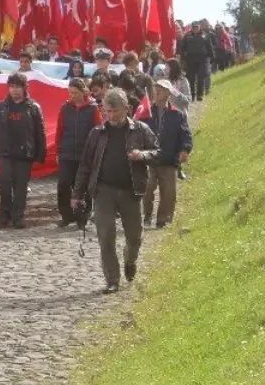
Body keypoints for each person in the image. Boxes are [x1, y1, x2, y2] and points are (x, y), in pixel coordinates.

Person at [72, 89, 158, 293]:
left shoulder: (140, 129)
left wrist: (143, 155)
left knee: (135, 237)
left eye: (114, 111)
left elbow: (158, 152)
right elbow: (85, 165)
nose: (110, 115)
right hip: (104, 190)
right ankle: (112, 280)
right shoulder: (97, 133)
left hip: (131, 190)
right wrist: (76, 194)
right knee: (106, 234)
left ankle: (130, 260)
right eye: (106, 111)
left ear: (126, 109)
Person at [0, 73, 47, 229]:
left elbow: (40, 132)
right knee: (4, 184)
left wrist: (41, 153)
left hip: (24, 153)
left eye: (17, 86)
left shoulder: (33, 107)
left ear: (25, 88)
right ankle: (5, 213)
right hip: (4, 152)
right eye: (11, 86)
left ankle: (18, 216)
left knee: (20, 186)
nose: (14, 90)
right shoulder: (0, 107)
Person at [142, 80, 193, 229]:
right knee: (147, 188)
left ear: (169, 93)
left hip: (169, 159)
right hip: (149, 159)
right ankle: (147, 215)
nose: (158, 91)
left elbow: (186, 135)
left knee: (168, 192)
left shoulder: (177, 115)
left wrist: (184, 150)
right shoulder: (146, 112)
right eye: (156, 88)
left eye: (162, 89)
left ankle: (162, 220)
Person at [54, 78, 101, 229]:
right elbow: (59, 130)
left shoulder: (93, 109)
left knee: (82, 186)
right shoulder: (65, 108)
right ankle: (66, 215)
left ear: (83, 92)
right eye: (70, 93)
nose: (72, 96)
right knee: (63, 184)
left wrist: (96, 152)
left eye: (75, 93)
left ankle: (82, 217)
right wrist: (58, 151)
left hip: (85, 154)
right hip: (66, 153)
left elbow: (98, 131)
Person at [178, 21, 214, 101]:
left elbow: (209, 46)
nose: (195, 29)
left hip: (203, 59)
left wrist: (212, 57)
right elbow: (183, 48)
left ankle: (200, 95)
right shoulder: (187, 36)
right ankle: (192, 95)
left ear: (199, 27)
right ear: (192, 27)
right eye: (194, 27)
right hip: (190, 60)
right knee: (191, 78)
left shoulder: (205, 35)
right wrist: (182, 58)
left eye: (197, 27)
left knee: (201, 76)